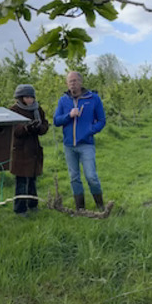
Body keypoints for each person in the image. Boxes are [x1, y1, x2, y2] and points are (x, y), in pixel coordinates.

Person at [52, 71, 107, 212]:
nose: (72, 84)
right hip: (69, 145)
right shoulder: (63, 100)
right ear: (67, 83)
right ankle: (80, 208)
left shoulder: (93, 98)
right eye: (70, 81)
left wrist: (90, 130)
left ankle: (100, 205)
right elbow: (56, 121)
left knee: (91, 176)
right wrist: (69, 115)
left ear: (81, 82)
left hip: (86, 144)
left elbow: (102, 120)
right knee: (74, 177)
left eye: (75, 81)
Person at [7, 84, 50, 216]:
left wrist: (39, 127)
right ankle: (20, 208)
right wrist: (27, 128)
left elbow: (44, 125)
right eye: (27, 97)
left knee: (32, 179)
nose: (30, 99)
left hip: (34, 149)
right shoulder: (13, 110)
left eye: (31, 97)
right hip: (20, 150)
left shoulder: (37, 109)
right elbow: (14, 130)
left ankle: (33, 204)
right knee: (22, 181)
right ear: (20, 97)